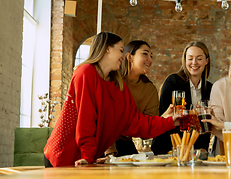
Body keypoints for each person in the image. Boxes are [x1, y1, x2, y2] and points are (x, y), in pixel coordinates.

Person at [43, 32, 179, 167]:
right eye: (120, 50)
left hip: (85, 159)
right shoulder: (85, 72)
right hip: (63, 155)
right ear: (107, 49)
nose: (122, 56)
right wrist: (88, 155)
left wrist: (170, 122)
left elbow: (135, 122)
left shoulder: (118, 85)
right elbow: (85, 120)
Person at [151, 41, 213, 155]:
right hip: (168, 149)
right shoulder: (173, 82)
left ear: (206, 61)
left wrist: (203, 148)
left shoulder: (210, 88)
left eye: (199, 58)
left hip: (197, 152)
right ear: (185, 60)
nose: (194, 62)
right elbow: (163, 117)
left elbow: (206, 124)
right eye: (190, 58)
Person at [103, 40, 159, 157]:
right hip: (102, 141)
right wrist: (110, 152)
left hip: (124, 142)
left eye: (151, 56)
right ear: (129, 57)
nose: (150, 59)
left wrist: (165, 119)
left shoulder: (150, 89)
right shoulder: (112, 81)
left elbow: (147, 131)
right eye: (145, 54)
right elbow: (105, 119)